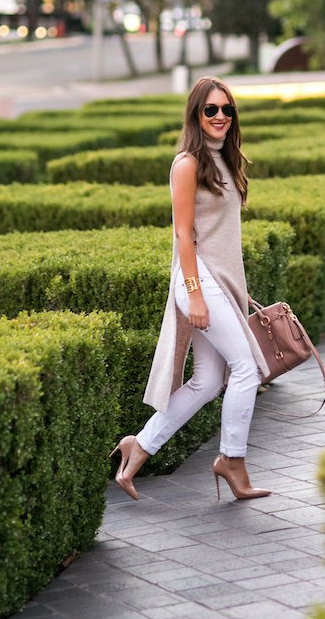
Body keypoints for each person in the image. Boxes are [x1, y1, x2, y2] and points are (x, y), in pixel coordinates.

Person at [110, 77, 272, 501]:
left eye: (227, 109)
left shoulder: (226, 161)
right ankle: (232, 460)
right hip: (198, 282)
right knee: (247, 369)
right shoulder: (187, 164)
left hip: (220, 284)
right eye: (210, 110)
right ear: (195, 114)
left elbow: (221, 236)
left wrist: (233, 289)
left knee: (208, 380)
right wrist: (196, 294)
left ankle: (139, 445)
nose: (220, 116)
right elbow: (184, 235)